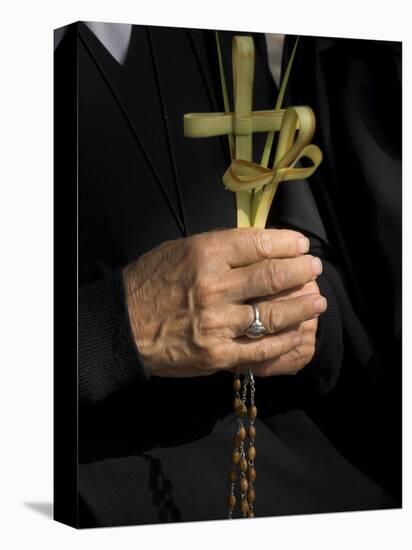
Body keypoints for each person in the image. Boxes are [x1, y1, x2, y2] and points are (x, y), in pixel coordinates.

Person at [54, 21, 401, 528]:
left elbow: (332, 251)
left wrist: (307, 315)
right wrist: (116, 327)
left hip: (295, 469)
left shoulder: (226, 31)